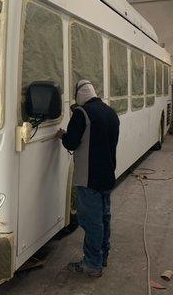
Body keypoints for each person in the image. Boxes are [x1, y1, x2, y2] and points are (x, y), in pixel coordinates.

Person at [55, 79, 120, 278]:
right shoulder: (111, 113)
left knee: (92, 222)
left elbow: (72, 143)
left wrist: (62, 135)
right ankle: (103, 256)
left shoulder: (81, 114)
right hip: (107, 175)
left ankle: (92, 264)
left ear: (79, 96)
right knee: (103, 218)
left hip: (88, 177)